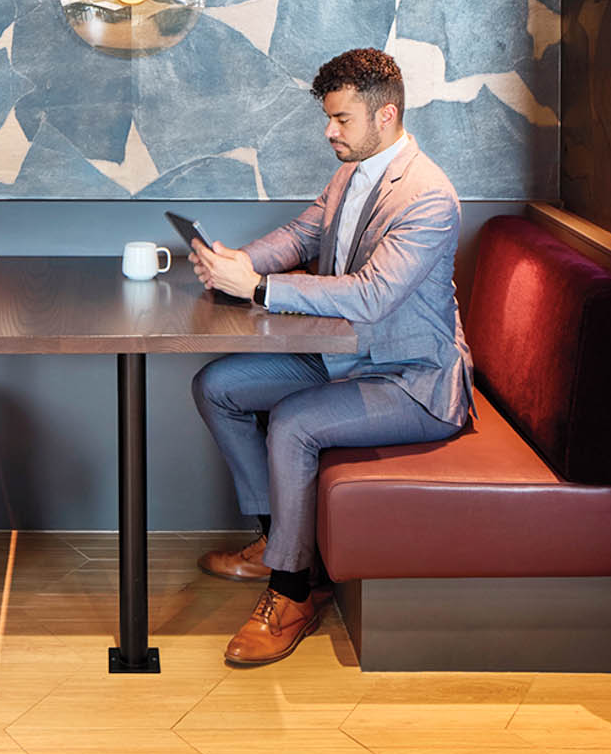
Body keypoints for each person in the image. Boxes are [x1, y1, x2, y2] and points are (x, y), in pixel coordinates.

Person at [190, 46, 474, 667]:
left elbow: (372, 295)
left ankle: (293, 592)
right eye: (329, 117)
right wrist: (236, 263)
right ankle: (277, 543)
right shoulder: (352, 169)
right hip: (345, 356)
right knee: (219, 386)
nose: (329, 131)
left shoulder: (428, 197)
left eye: (341, 119)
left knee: (294, 424)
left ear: (386, 116)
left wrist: (259, 290)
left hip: (412, 379)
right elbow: (304, 235)